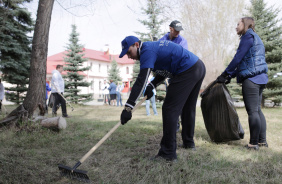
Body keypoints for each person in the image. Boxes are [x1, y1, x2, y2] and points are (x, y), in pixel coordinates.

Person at [119, 36, 206, 161]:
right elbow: (164, 69)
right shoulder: (151, 48)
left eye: (129, 52)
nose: (129, 56)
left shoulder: (146, 51)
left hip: (187, 69)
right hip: (198, 66)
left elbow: (140, 81)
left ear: (136, 45)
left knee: (169, 109)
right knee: (187, 108)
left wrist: (128, 107)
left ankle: (168, 153)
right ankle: (188, 143)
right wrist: (152, 85)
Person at [217, 17, 268, 150]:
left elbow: (238, 58)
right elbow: (247, 63)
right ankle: (262, 141)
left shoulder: (247, 36)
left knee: (252, 112)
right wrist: (231, 75)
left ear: (245, 24)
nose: (236, 27)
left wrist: (224, 73)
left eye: (238, 24)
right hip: (261, 78)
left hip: (251, 80)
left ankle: (253, 143)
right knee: (257, 110)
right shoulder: (256, 38)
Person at [159, 20, 189, 131]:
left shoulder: (182, 41)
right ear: (170, 28)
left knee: (180, 101)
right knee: (171, 101)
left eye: (179, 31)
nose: (178, 33)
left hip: (180, 75)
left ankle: (183, 124)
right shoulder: (162, 40)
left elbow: (182, 56)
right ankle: (175, 125)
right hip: (169, 76)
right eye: (176, 30)